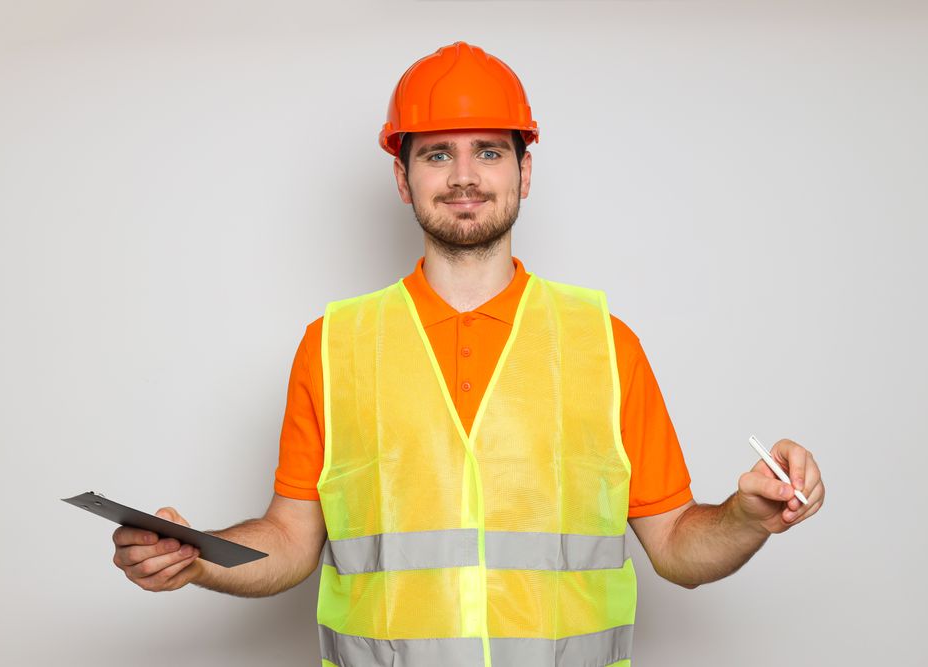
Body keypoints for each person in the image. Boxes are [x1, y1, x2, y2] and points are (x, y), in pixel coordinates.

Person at [112, 41, 825, 666]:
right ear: (403, 177)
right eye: (436, 153)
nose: (463, 176)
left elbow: (675, 545)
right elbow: (291, 540)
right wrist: (196, 554)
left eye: (488, 150)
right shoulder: (334, 346)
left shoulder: (605, 344)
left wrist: (745, 515)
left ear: (524, 170)